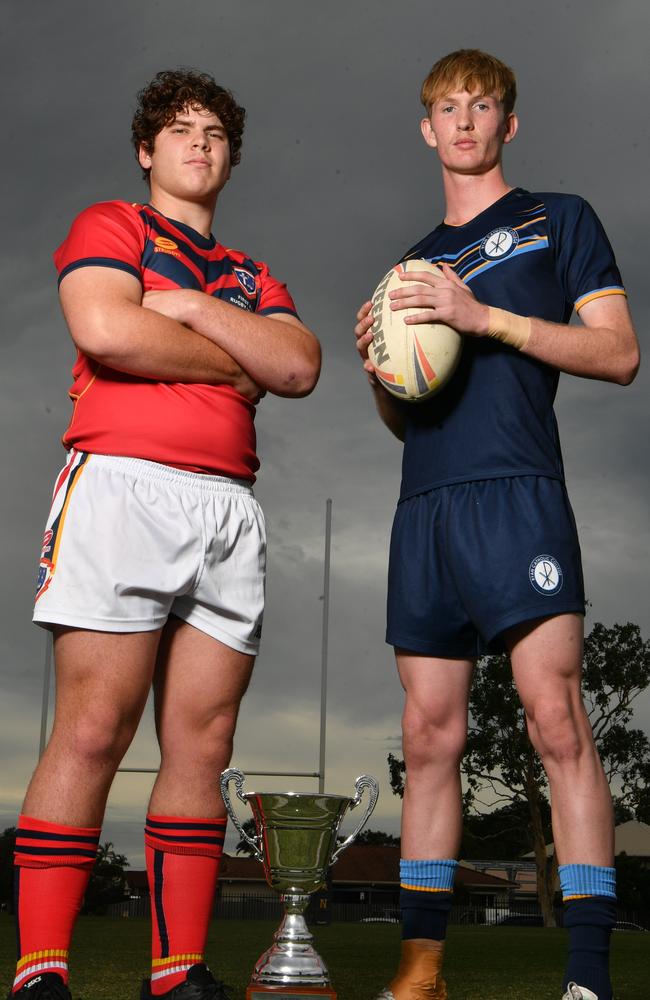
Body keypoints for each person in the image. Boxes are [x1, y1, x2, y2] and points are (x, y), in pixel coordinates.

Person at [10, 69, 320, 1000]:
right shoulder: (112, 226)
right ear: (147, 150)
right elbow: (107, 328)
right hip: (123, 487)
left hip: (228, 507)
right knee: (95, 728)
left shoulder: (254, 273)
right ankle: (40, 972)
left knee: (204, 742)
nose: (200, 143)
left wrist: (182, 307)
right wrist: (235, 361)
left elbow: (298, 366)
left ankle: (177, 969)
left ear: (231, 155)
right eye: (181, 130)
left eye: (217, 132)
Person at [355, 49, 639, 1000]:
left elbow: (618, 354)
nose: (466, 120)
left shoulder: (558, 220)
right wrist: (383, 373)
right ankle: (421, 971)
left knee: (556, 719)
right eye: (447, 107)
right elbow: (410, 414)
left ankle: (588, 979)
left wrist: (487, 319)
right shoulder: (412, 264)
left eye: (483, 106)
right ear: (425, 128)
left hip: (518, 493)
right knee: (430, 735)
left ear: (508, 124)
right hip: (426, 508)